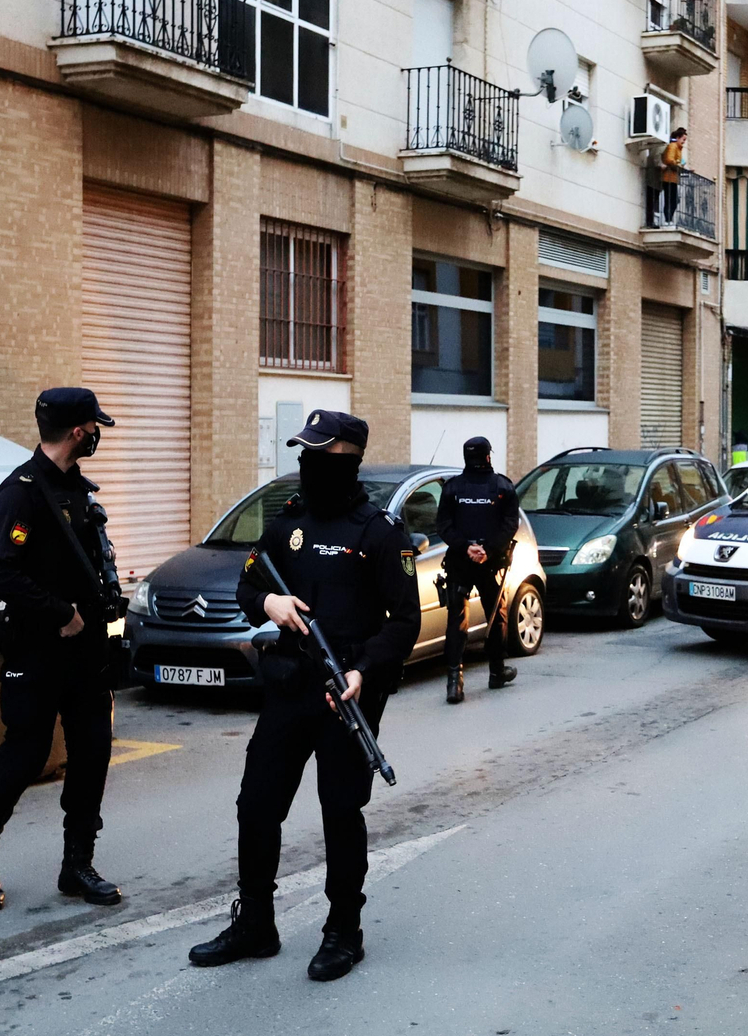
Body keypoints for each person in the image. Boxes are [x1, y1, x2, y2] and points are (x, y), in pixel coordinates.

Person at [188, 410, 419, 982]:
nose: (308, 462)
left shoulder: (379, 533)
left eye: (320, 453)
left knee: (340, 811)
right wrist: (269, 604)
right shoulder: (288, 522)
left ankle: (343, 930)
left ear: (349, 458)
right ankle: (255, 923)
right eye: (304, 452)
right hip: (291, 686)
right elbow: (248, 584)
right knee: (256, 805)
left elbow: (405, 621)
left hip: (347, 694)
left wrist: (364, 670)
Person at [0, 387, 122, 914]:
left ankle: (78, 865)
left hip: (88, 653)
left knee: (92, 754)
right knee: (25, 755)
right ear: (78, 431)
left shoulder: (79, 490)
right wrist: (59, 613)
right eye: (94, 427)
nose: (97, 435)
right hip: (37, 650)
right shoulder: (21, 492)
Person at [437, 436, 520, 704]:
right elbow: (511, 523)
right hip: (491, 563)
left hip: (460, 563)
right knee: (496, 616)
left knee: (456, 621)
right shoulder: (503, 486)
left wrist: (466, 548)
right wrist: (489, 550)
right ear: (487, 457)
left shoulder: (452, 488)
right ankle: (496, 672)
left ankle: (454, 683)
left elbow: (443, 525)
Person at [659, 127, 687, 226]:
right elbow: (669, 159)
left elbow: (678, 161)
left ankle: (669, 219)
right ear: (678, 138)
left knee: (673, 200)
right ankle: (667, 220)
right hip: (669, 177)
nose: (684, 142)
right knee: (670, 200)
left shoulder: (678, 148)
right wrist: (678, 164)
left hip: (673, 178)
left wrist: (681, 165)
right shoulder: (673, 146)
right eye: (683, 139)